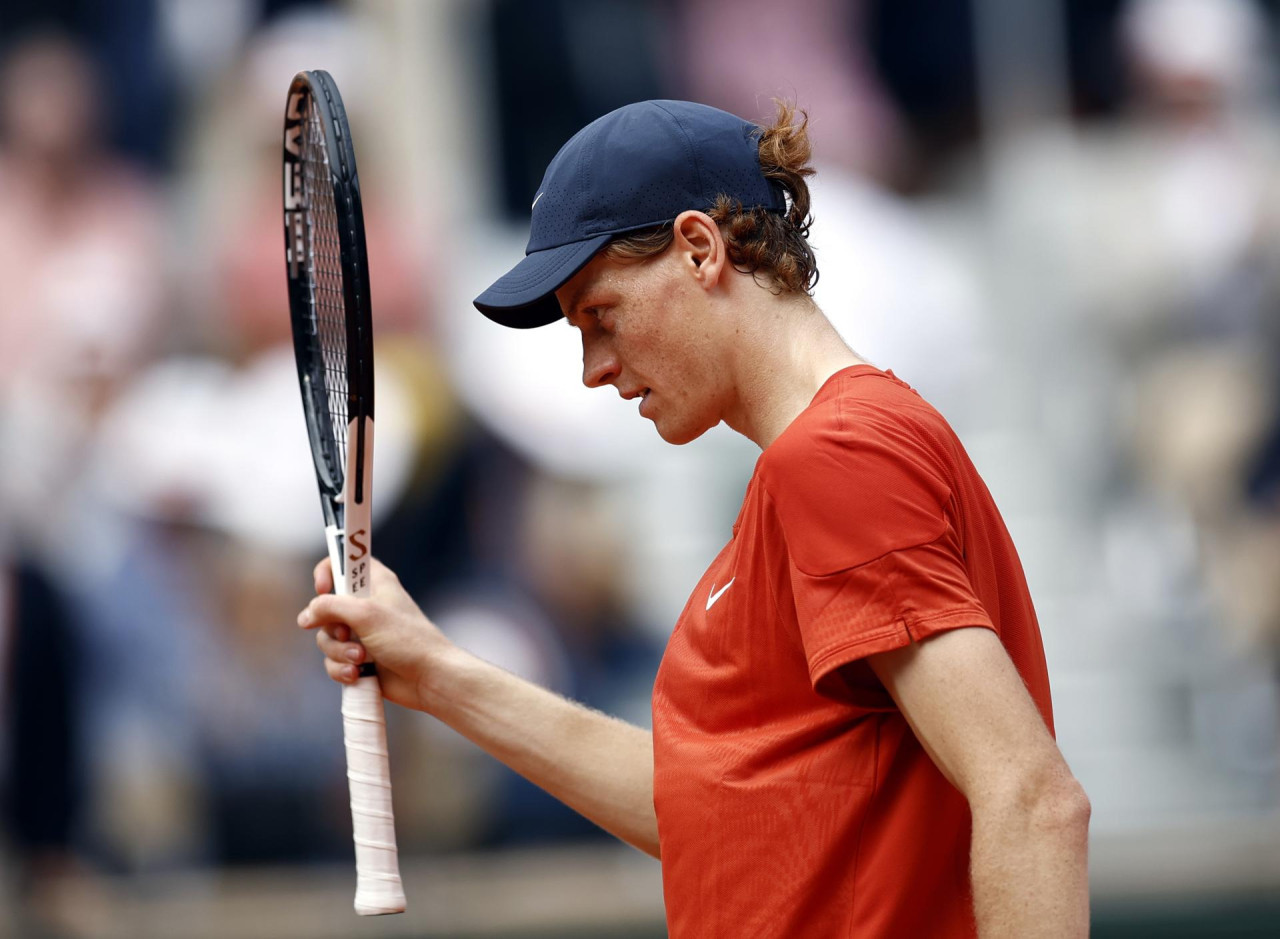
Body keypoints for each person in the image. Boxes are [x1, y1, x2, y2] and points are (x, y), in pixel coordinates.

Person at [298, 100, 1091, 937]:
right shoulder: (825, 461)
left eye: (599, 316)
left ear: (700, 249)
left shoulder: (837, 456)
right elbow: (704, 812)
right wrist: (439, 674)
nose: (592, 370)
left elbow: (1033, 798)